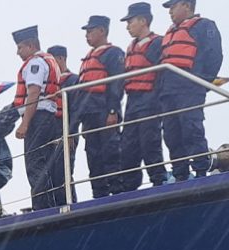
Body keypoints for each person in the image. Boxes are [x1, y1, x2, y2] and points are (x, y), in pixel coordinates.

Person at [159, 0, 223, 181]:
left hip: (189, 87)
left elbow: (214, 55)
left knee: (191, 129)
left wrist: (201, 81)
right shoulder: (170, 32)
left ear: (187, 6)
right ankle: (180, 174)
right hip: (168, 91)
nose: (170, 11)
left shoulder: (204, 26)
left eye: (173, 6)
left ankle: (201, 171)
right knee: (171, 133)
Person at [11, 26, 64, 210]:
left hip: (38, 117)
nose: (18, 52)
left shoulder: (35, 63)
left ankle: (42, 206)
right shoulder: (49, 61)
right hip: (49, 117)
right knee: (47, 161)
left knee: (35, 163)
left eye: (20, 47)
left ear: (31, 45)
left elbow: (33, 92)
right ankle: (52, 203)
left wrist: (24, 124)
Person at [119, 2, 168, 191]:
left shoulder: (157, 43)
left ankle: (158, 180)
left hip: (149, 99)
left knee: (150, 141)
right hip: (132, 101)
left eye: (130, 21)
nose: (128, 26)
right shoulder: (130, 47)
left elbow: (161, 76)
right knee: (128, 144)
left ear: (143, 21)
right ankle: (129, 187)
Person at [79, 15, 125, 198]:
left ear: (102, 31)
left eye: (90, 31)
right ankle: (99, 192)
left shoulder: (114, 54)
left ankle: (116, 189)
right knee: (93, 155)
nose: (87, 36)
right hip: (89, 114)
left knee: (111, 151)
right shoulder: (88, 58)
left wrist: (112, 111)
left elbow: (116, 84)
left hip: (104, 110)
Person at [48, 45, 80, 185]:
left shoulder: (73, 80)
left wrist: (71, 133)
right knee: (51, 171)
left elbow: (76, 109)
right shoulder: (50, 83)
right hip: (51, 129)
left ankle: (68, 202)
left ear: (61, 58)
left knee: (64, 171)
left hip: (65, 128)